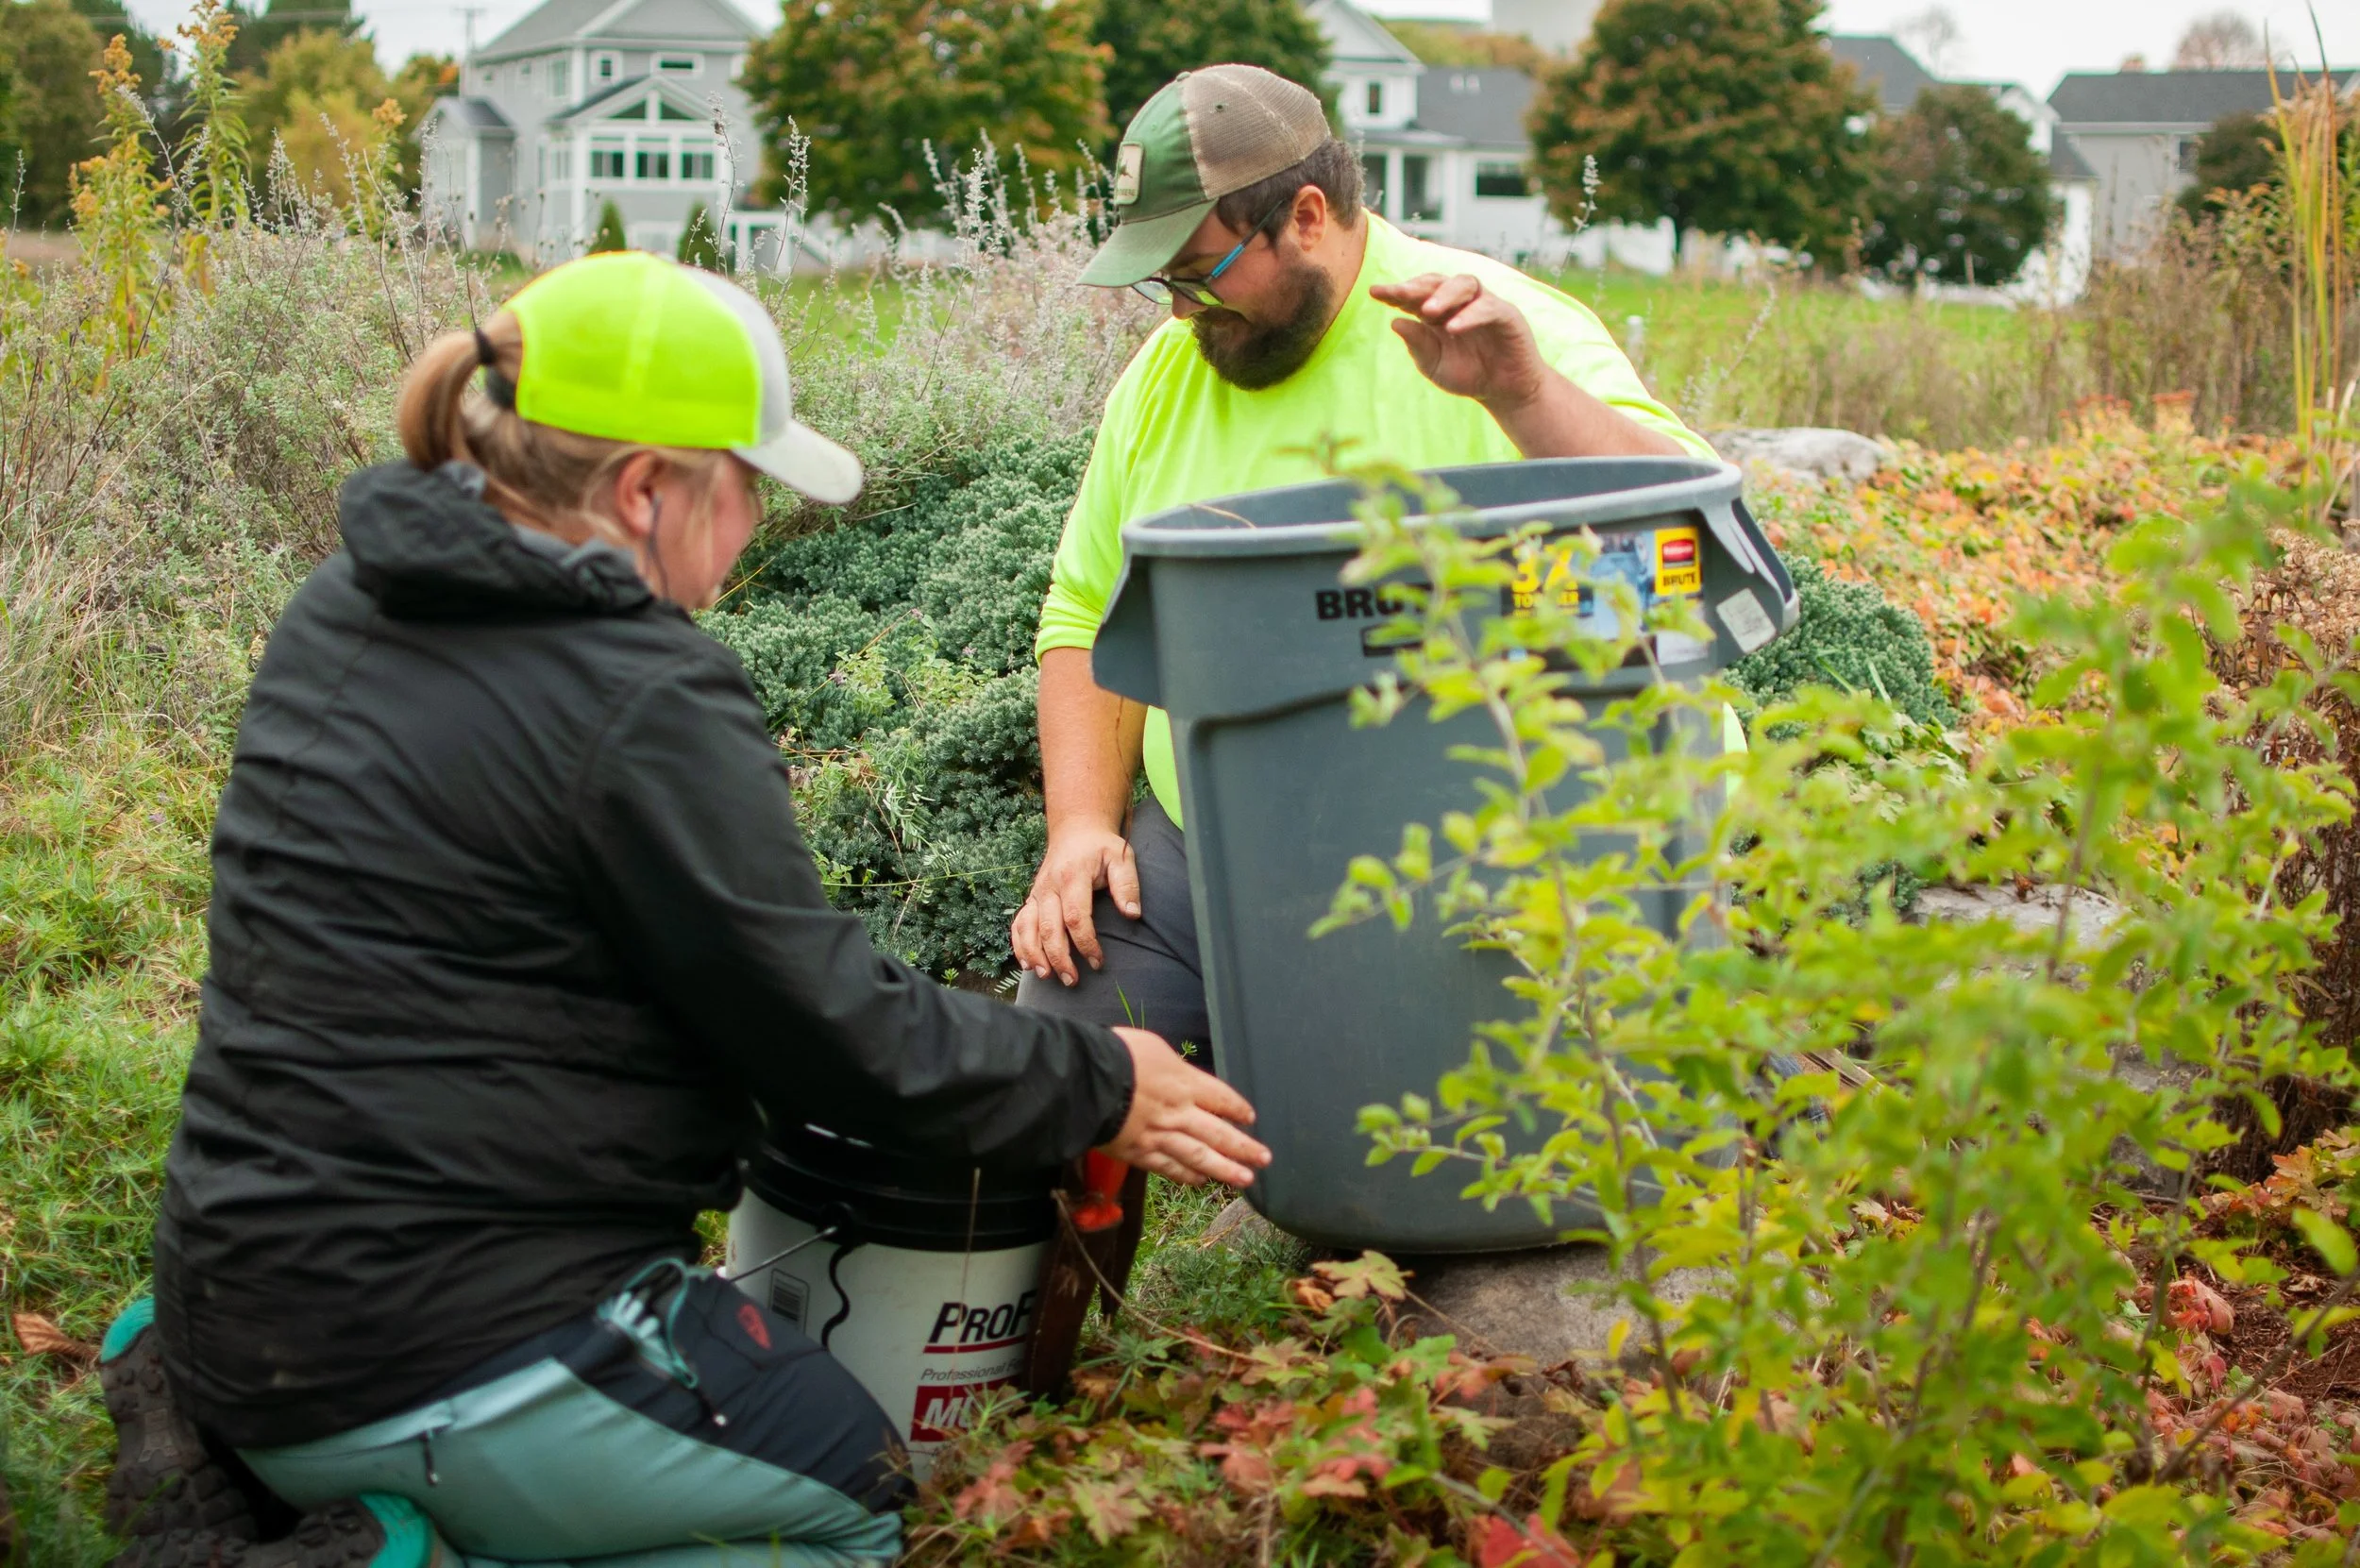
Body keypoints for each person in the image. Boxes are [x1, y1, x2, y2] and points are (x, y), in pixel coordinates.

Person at [102, 251, 1270, 1568]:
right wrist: (1101, 1078)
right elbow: (829, 1034)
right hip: (438, 1346)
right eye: (748, 489)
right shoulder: (639, 693)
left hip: (236, 1302)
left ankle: (291, 1480)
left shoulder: (348, 605)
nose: (755, 529)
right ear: (649, 489)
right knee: (857, 1499)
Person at [1011, 64, 1715, 1052]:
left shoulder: (1497, 334)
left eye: (1198, 271)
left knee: (1531, 1151)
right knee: (1058, 1051)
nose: (1177, 312)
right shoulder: (1167, 377)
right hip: (1216, 842)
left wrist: (1522, 399)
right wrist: (1082, 825)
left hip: (1506, 846)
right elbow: (1087, 612)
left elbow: (1682, 553)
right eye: (1157, 282)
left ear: (1305, 215)